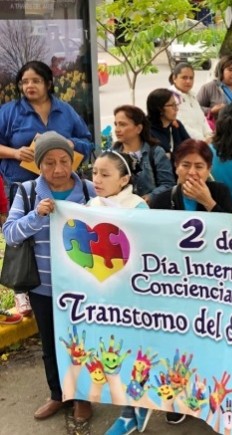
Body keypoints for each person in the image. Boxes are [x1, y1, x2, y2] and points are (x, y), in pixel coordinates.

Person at [3, 131, 95, 423]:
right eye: (49, 162)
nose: (58, 169)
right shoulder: (28, 191)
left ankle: (82, 398)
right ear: (39, 164)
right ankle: (58, 394)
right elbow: (10, 233)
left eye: (64, 161)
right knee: (51, 344)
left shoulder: (90, 191)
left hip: (83, 288)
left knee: (81, 343)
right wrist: (36, 216)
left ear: (73, 161)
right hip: (43, 286)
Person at [90, 151, 153, 435]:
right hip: (103, 296)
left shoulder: (137, 208)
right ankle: (127, 410)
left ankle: (137, 405)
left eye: (105, 174)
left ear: (124, 179)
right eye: (94, 173)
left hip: (133, 296)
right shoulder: (89, 206)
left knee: (135, 351)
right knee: (112, 353)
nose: (97, 179)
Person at [0, 61, 93, 185]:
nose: (29, 86)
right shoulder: (8, 112)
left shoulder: (65, 110)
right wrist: (15, 153)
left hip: (61, 185)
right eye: (25, 82)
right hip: (20, 186)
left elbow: (87, 143)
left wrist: (72, 143)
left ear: (48, 84)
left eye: (36, 81)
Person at [151, 139, 232, 213]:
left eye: (199, 167)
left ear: (209, 169)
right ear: (176, 167)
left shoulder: (221, 192)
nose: (192, 172)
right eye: (186, 165)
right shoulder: (162, 199)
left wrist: (208, 202)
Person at [111, 105, 175, 204]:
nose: (117, 129)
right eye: (116, 124)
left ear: (139, 128)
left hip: (149, 210)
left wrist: (151, 196)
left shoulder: (155, 152)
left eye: (122, 124)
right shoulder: (111, 155)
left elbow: (168, 184)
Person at [169, 62, 213, 141]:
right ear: (174, 78)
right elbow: (182, 125)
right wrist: (203, 139)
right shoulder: (171, 98)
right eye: (184, 78)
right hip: (186, 143)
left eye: (191, 78)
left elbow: (202, 119)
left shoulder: (192, 96)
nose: (188, 81)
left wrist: (209, 134)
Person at [196, 55, 232, 122]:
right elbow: (195, 108)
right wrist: (211, 111)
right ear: (221, 71)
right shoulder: (209, 88)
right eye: (230, 70)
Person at [147, 88, 190, 156]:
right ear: (159, 108)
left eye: (176, 104)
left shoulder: (176, 125)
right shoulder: (147, 131)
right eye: (172, 105)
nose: (176, 109)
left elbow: (191, 147)